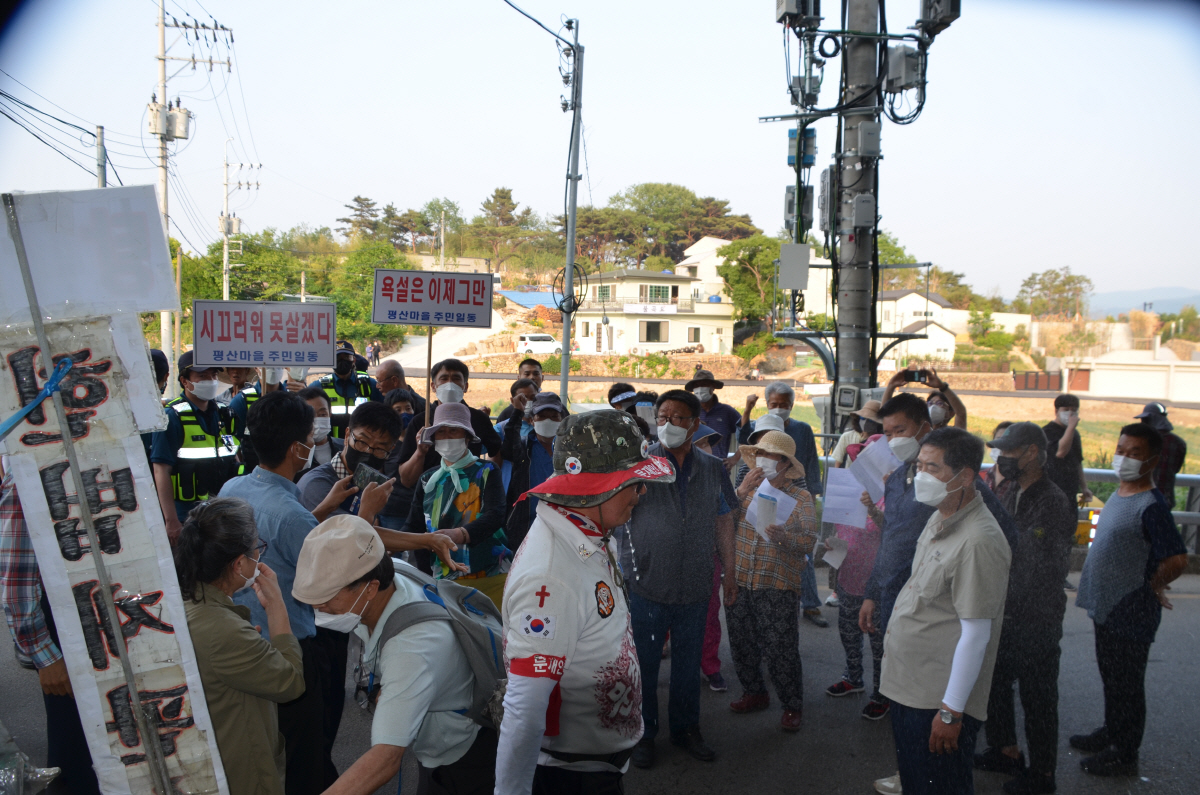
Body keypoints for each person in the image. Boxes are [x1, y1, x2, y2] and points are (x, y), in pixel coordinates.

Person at [496, 410, 675, 794]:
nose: (642, 493)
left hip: (594, 767)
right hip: (571, 778)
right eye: (634, 483)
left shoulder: (589, 532)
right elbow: (525, 709)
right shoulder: (551, 575)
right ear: (600, 486)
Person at [859, 393, 1019, 795]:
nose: (922, 475)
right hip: (911, 683)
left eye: (933, 467)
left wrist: (950, 712)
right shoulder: (940, 515)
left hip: (936, 694)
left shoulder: (979, 540)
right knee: (918, 779)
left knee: (939, 784)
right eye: (920, 466)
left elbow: (976, 633)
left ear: (965, 476)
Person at [218, 390, 373, 793]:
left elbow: (290, 533)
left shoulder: (233, 488)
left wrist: (317, 511)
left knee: (268, 747)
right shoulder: (291, 516)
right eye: (309, 437)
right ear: (295, 449)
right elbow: (335, 574)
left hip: (244, 639)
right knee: (306, 753)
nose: (313, 444)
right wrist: (367, 514)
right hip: (294, 648)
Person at [293, 515, 497, 794]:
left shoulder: (410, 650)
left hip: (464, 758)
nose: (319, 607)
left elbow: (386, 759)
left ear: (370, 588)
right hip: (444, 732)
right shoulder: (391, 570)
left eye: (328, 598)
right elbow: (370, 536)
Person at [626, 389, 737, 768]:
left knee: (688, 666)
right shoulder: (640, 463)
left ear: (694, 424)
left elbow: (724, 520)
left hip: (695, 583)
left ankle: (687, 729)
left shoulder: (712, 466)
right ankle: (643, 734)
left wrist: (730, 573)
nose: (668, 424)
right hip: (647, 582)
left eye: (676, 418)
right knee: (646, 663)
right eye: (662, 417)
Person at [1072, 424, 1188, 777]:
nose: (1123, 457)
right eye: (1121, 449)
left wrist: (1154, 585)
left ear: (1152, 461)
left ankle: (1125, 753)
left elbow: (1177, 559)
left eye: (1135, 453)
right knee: (1112, 676)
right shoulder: (1122, 493)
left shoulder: (1151, 505)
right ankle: (1111, 731)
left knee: (1127, 684)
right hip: (1108, 604)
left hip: (1130, 609)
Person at [174, 498, 306, 795]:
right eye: (255, 548)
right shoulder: (223, 630)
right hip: (239, 773)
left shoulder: (186, 600)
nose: (259, 555)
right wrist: (276, 607)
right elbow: (291, 682)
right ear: (238, 564)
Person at [973, 422, 1076, 795]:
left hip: (1037, 616)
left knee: (1038, 698)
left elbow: (1031, 559)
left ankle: (1043, 774)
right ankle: (1005, 751)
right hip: (1006, 610)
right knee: (996, 686)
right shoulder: (1012, 489)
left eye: (1009, 451)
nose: (1002, 458)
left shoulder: (1052, 500)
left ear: (1032, 452)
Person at [1, 474, 101, 795]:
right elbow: (15, 579)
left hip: (108, 624)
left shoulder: (107, 456)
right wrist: (46, 658)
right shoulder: (29, 472)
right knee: (77, 754)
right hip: (66, 633)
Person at [726, 431, 818, 731]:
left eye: (771, 456)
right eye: (760, 454)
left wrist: (785, 537)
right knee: (742, 642)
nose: (764, 460)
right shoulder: (746, 489)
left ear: (785, 463)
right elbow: (723, 524)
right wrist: (740, 491)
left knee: (781, 648)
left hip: (776, 583)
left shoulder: (801, 498)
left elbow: (807, 543)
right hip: (740, 578)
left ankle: (792, 705)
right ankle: (754, 692)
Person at [739, 381, 827, 627]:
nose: (779, 408)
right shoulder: (748, 466)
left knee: (799, 554)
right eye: (774, 405)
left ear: (792, 405)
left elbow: (809, 462)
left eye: (784, 405)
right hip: (750, 551)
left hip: (793, 493)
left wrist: (811, 492)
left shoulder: (803, 429)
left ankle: (809, 602)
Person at [404, 402, 508, 607]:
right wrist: (389, 544)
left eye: (454, 431)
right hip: (443, 581)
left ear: (468, 437)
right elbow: (414, 524)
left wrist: (460, 534)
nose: (447, 437)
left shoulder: (487, 471)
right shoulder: (427, 479)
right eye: (441, 432)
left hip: (490, 575)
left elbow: (496, 514)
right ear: (433, 439)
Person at [825, 432, 888, 722]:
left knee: (878, 643)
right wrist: (832, 545)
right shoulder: (846, 486)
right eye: (860, 455)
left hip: (876, 585)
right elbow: (840, 528)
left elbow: (894, 531)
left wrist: (873, 509)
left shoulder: (892, 492)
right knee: (848, 633)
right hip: (847, 575)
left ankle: (882, 693)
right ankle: (853, 677)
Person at [151, 351, 240, 541]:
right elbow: (161, 470)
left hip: (222, 513)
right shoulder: (172, 417)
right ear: (185, 381)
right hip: (187, 517)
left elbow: (234, 457)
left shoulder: (225, 414)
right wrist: (171, 520)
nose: (210, 380)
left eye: (213, 375)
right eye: (202, 376)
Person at [396, 358, 502, 492]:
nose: (450, 384)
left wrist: (485, 480)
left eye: (456, 378)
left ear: (466, 386)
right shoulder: (420, 422)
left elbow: (495, 453)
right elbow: (406, 480)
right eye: (444, 378)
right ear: (433, 386)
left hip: (469, 499)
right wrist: (420, 453)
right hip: (429, 497)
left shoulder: (479, 419)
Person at [297, 401, 399, 528]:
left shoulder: (367, 483)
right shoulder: (316, 484)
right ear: (347, 435)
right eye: (362, 442)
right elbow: (348, 536)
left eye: (379, 449)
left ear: (391, 450)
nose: (368, 451)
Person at [500, 391, 566, 553]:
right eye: (541, 416)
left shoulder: (569, 451)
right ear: (531, 420)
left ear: (562, 421)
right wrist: (517, 412)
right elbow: (509, 443)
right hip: (525, 525)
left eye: (554, 416)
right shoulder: (523, 447)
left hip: (563, 525)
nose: (548, 421)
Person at [310, 341, 384, 439]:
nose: (342, 360)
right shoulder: (319, 386)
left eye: (346, 357)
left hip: (362, 445)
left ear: (354, 360)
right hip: (331, 445)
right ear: (330, 360)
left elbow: (384, 415)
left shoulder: (369, 384)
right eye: (337, 357)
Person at [1041, 394, 1093, 505]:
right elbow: (1060, 452)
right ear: (1057, 411)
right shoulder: (1047, 432)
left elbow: (1077, 462)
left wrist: (1084, 487)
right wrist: (1070, 428)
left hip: (1070, 491)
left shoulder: (1074, 434)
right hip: (1051, 490)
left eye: (1074, 410)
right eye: (1066, 410)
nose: (1070, 413)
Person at [1135, 402, 1188, 509]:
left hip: (1140, 498)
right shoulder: (1179, 443)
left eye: (1145, 420)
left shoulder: (1142, 440)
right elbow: (1175, 469)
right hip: (1165, 499)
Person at [881, 368, 968, 429]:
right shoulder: (919, 432)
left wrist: (943, 387)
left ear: (951, 413)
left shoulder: (954, 434)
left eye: (939, 403)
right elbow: (885, 415)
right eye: (930, 403)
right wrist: (891, 386)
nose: (933, 407)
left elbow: (961, 413)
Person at [684, 368, 742, 460]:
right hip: (693, 468)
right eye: (697, 385)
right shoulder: (688, 412)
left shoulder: (727, 412)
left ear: (713, 387)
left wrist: (734, 458)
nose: (700, 388)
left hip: (720, 468)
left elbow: (747, 434)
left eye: (704, 384)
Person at [296, 387, 343, 480]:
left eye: (322, 414)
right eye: (310, 415)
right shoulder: (294, 454)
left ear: (330, 414)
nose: (316, 420)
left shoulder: (345, 448)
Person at [830, 400, 883, 468]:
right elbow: (838, 462)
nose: (866, 422)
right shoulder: (847, 437)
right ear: (858, 418)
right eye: (863, 418)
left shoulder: (881, 439)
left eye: (870, 420)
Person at [495, 359, 544, 423]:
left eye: (536, 374)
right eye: (527, 374)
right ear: (518, 378)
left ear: (542, 378)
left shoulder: (549, 411)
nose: (532, 377)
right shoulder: (506, 415)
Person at [496, 379, 539, 443]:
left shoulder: (545, 425)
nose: (528, 401)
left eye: (533, 398)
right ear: (513, 401)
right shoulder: (502, 428)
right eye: (522, 398)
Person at [983, 421, 1014, 498]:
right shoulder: (982, 476)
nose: (1002, 447)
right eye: (999, 440)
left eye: (1007, 441)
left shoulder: (1020, 481)